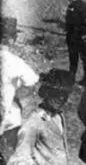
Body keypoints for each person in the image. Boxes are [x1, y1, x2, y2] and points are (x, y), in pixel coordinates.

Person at [8, 69, 74, 165]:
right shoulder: (35, 120)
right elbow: (20, 158)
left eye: (65, 95)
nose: (61, 99)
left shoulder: (59, 117)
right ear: (47, 93)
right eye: (56, 94)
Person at [1, 19, 39, 160]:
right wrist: (16, 95)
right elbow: (32, 82)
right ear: (11, 39)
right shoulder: (14, 62)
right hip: (8, 121)